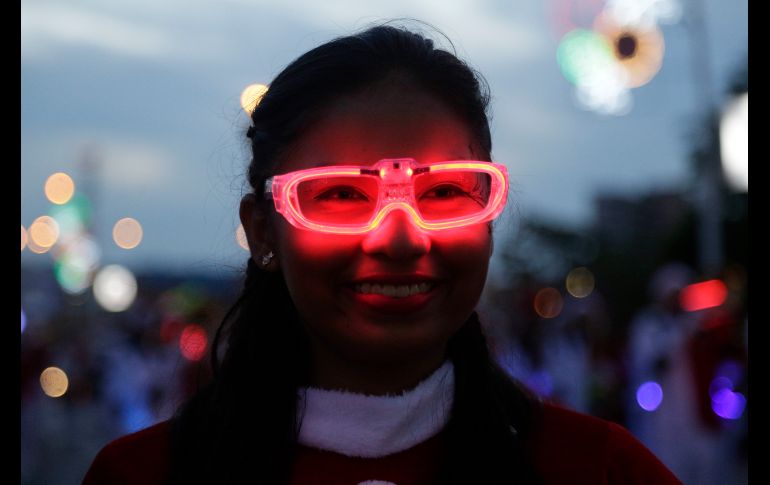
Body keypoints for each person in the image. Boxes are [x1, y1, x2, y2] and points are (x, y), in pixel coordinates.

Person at [83, 22, 682, 485]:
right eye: (342, 194)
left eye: (444, 192)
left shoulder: (599, 470)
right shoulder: (143, 475)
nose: (400, 237)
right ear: (264, 232)